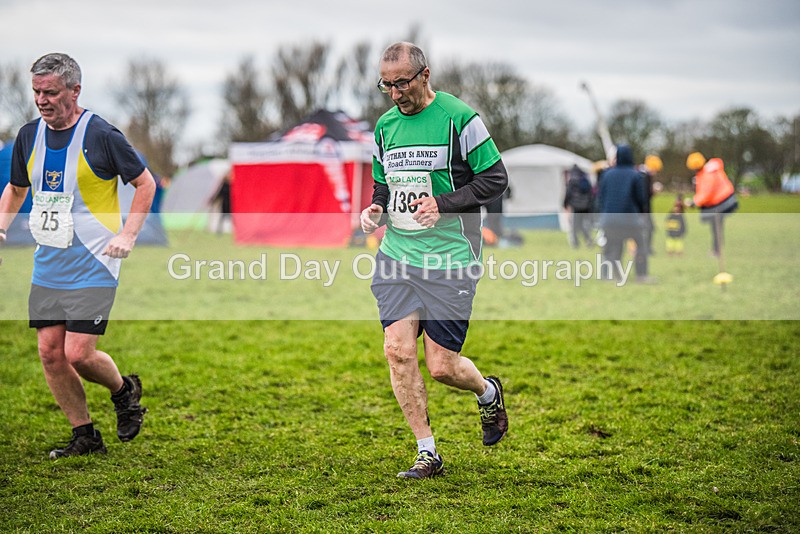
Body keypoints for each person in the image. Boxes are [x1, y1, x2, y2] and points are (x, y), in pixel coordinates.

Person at [360, 42, 509, 479]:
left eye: (401, 83)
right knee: (397, 351)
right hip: (397, 256)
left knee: (442, 366)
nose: (394, 93)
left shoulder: (460, 118)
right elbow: (384, 183)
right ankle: (427, 452)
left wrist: (444, 203)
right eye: (386, 85)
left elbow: (495, 179)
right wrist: (376, 207)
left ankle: (487, 392)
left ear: (425, 75)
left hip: (451, 259)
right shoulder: (385, 126)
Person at [0, 53, 155, 459]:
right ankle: (84, 435)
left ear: (74, 90)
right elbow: (16, 190)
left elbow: (145, 183)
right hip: (48, 263)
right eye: (36, 91)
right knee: (51, 353)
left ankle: (123, 391)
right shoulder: (28, 136)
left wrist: (129, 233)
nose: (41, 99)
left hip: (95, 261)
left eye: (50, 91)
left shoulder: (102, 135)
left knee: (77, 353)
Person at [597, 144, 653, 283]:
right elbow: (641, 198)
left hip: (609, 219)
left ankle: (608, 275)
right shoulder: (635, 175)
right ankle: (641, 275)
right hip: (630, 220)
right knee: (641, 246)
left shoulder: (607, 174)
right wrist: (641, 214)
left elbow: (601, 198)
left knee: (611, 248)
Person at [686, 152, 738, 256]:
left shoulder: (707, 175)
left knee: (716, 227)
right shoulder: (707, 171)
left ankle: (717, 251)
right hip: (724, 200)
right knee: (716, 226)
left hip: (722, 203)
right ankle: (717, 250)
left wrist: (693, 202)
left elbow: (706, 194)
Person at [563, 164, 594, 248]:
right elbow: (591, 194)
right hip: (586, 207)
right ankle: (588, 240)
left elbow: (568, 194)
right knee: (584, 225)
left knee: (574, 226)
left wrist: (565, 204)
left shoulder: (572, 181)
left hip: (576, 207)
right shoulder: (585, 180)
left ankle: (575, 243)